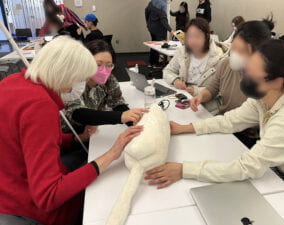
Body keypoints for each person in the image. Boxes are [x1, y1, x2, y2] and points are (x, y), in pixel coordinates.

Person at [0, 36, 143, 225]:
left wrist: (76, 139)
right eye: (79, 79)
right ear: (65, 74)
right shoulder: (40, 106)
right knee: (104, 192)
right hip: (27, 207)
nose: (78, 86)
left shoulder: (12, 82)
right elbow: (48, 195)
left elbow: (26, 140)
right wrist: (111, 154)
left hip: (7, 186)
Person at [144, 40, 284, 197]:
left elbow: (246, 167)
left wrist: (183, 170)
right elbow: (230, 121)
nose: (245, 75)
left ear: (276, 82)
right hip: (279, 165)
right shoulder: (262, 99)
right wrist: (186, 128)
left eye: (252, 73)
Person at [190, 18, 275, 147]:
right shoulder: (226, 64)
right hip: (224, 125)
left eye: (241, 51)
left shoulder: (267, 81)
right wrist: (201, 96)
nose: (234, 54)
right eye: (233, 47)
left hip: (249, 137)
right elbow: (213, 88)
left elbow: (244, 120)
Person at [62, 39, 148, 133]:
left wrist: (133, 121)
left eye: (109, 65)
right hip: (73, 133)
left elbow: (117, 102)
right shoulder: (74, 81)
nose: (104, 71)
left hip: (94, 127)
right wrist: (121, 117)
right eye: (98, 65)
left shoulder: (109, 79)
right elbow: (77, 113)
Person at [163, 18, 228, 114]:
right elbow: (168, 71)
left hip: (207, 105)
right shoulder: (182, 51)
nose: (192, 41)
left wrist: (196, 91)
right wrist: (175, 80)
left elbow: (222, 89)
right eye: (189, 37)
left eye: (197, 37)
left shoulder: (220, 58)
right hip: (183, 97)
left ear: (207, 36)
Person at [145, 0, 174, 67]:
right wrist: (170, 30)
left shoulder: (153, 1)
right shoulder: (163, 5)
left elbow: (146, 10)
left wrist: (147, 21)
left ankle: (150, 62)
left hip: (151, 27)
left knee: (153, 44)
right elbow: (163, 19)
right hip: (158, 29)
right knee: (158, 46)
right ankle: (155, 63)